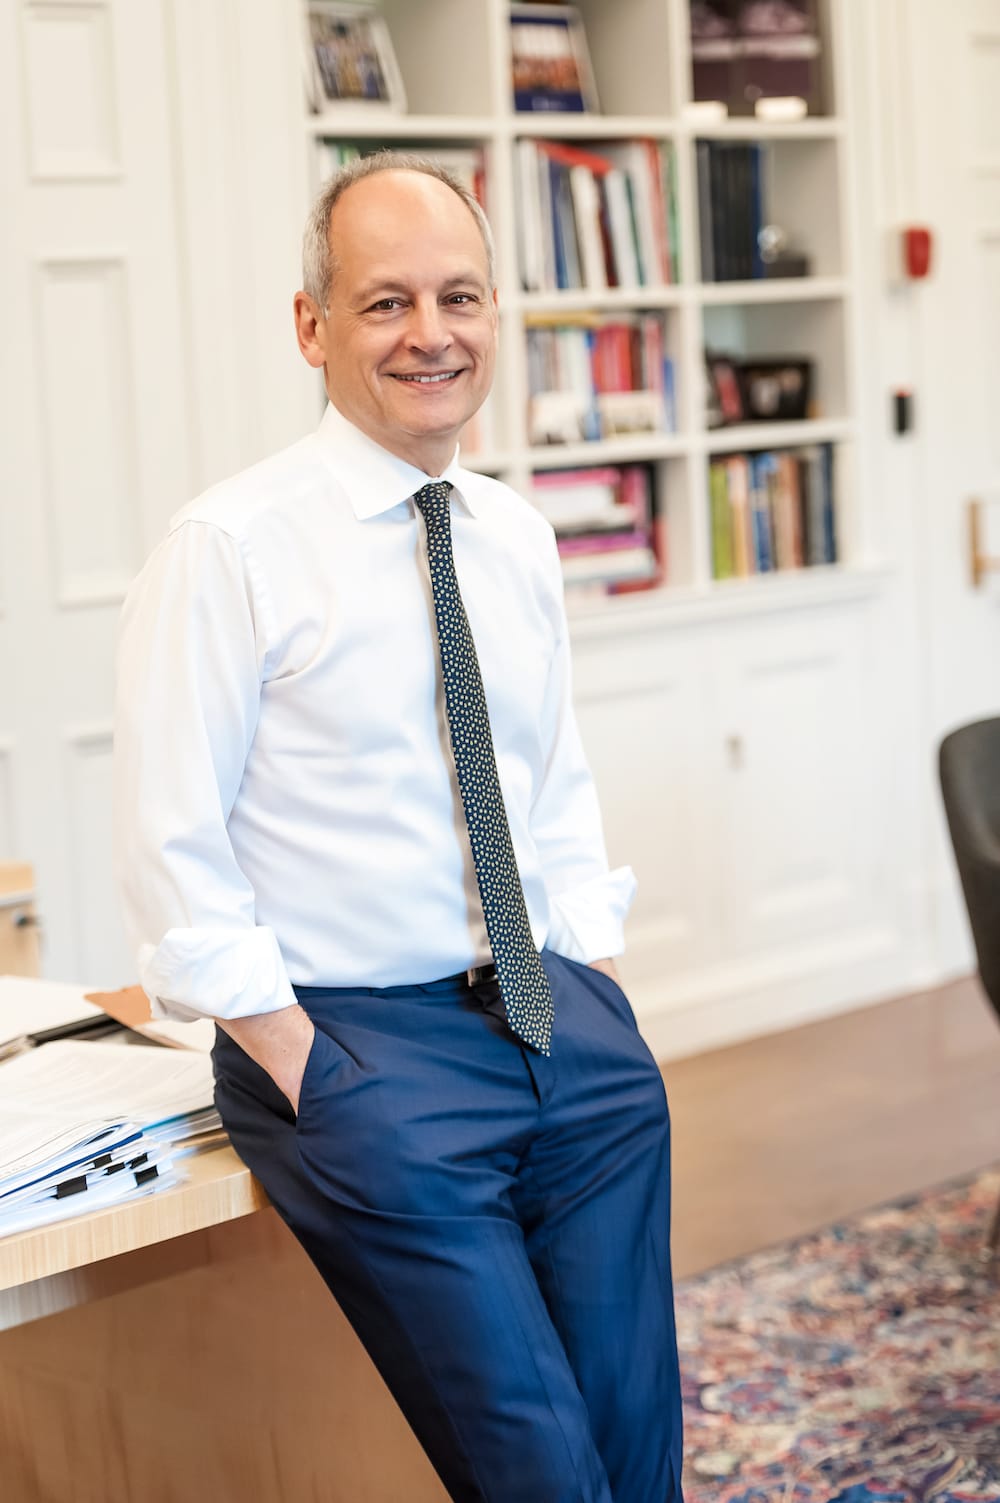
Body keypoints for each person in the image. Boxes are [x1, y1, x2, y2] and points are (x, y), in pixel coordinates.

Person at [114, 152, 683, 1503]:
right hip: (365, 1052)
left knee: (636, 1459)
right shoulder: (228, 547)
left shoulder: (515, 534)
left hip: (567, 1037)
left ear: (497, 317)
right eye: (384, 303)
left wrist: (592, 975)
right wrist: (302, 1062)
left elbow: (550, 786)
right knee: (542, 1474)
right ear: (311, 326)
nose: (431, 333)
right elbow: (170, 843)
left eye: (460, 296)